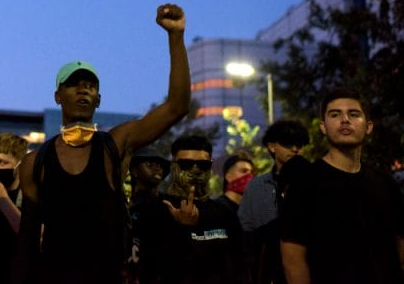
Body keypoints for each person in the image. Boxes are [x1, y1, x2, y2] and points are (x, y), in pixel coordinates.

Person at [12, 4, 190, 284]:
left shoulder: (115, 145)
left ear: (98, 99)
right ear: (58, 96)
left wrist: (176, 36)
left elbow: (177, 107)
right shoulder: (35, 162)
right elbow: (27, 241)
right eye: (74, 84)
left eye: (90, 85)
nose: (83, 89)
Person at [279, 89, 404, 284]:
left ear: (368, 126)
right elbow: (293, 259)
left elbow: (400, 244)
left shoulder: (385, 183)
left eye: (354, 114)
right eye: (335, 114)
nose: (345, 120)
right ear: (323, 127)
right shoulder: (304, 184)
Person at [137, 134, 248, 284]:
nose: (195, 170)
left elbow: (240, 266)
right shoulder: (156, 210)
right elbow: (151, 267)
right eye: (186, 164)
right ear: (174, 166)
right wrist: (183, 229)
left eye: (203, 165)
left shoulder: (224, 213)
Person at [236, 119, 308, 284]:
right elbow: (245, 230)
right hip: (268, 271)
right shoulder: (257, 186)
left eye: (299, 144)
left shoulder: (315, 181)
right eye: (287, 143)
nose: (295, 149)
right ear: (272, 146)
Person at [0, 133, 28, 284]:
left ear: (19, 165)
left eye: (2, 162)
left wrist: (2, 200)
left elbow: (31, 235)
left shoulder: (31, 194)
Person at [123, 144, 171, 284]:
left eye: (160, 165)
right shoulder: (124, 207)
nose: (157, 168)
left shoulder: (169, 205)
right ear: (134, 170)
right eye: (149, 164)